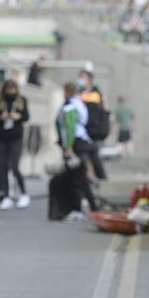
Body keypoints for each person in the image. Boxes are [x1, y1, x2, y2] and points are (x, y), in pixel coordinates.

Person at [56, 81, 98, 216]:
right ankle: (87, 207)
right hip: (82, 142)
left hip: (76, 144)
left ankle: (84, 208)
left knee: (78, 179)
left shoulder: (70, 106)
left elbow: (70, 128)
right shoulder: (79, 103)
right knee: (78, 178)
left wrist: (68, 146)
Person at [0, 78, 30, 210]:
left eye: (13, 89)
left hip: (15, 136)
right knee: (3, 167)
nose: (10, 92)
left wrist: (18, 116)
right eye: (8, 89)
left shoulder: (21, 100)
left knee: (15, 167)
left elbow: (26, 116)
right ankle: (5, 196)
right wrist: (1, 117)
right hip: (0, 137)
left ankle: (23, 193)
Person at [77, 68, 109, 180]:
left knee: (92, 157)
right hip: (85, 132)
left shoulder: (94, 95)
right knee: (91, 157)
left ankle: (101, 179)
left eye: (83, 78)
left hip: (93, 131)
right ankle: (97, 179)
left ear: (89, 80)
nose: (80, 80)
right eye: (80, 78)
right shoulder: (82, 94)